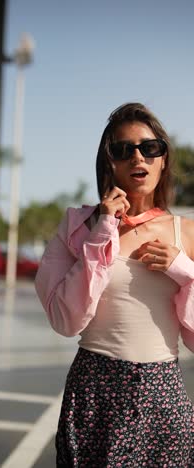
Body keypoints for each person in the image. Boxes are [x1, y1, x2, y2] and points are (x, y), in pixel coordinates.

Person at [35, 102, 194, 467]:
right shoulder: (78, 225)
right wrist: (102, 232)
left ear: (164, 159)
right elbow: (65, 320)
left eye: (149, 147)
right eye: (123, 150)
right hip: (94, 389)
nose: (137, 156)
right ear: (110, 162)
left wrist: (185, 270)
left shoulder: (185, 232)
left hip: (161, 393)